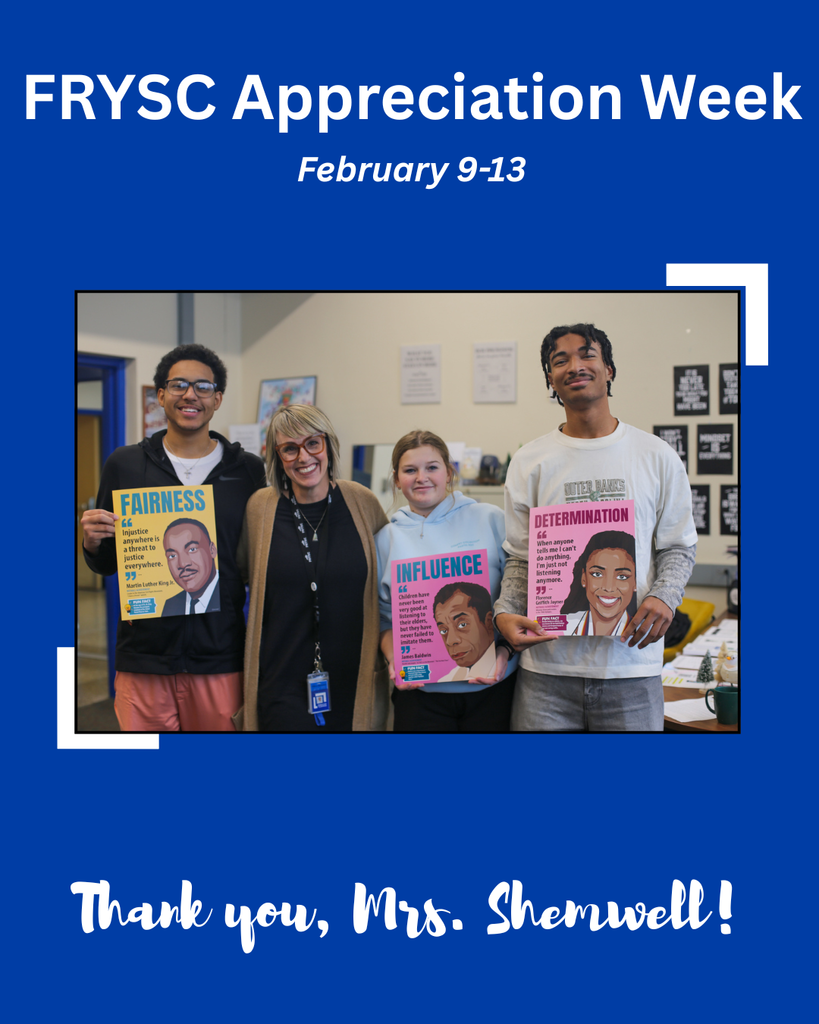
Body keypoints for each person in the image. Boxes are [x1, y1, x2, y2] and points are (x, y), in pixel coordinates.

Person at [495, 323, 697, 732]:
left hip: (631, 669)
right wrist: (504, 613)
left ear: (609, 369)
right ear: (550, 380)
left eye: (587, 354)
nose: (574, 365)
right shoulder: (530, 461)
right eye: (559, 360)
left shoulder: (656, 456)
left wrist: (664, 595)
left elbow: (678, 546)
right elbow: (520, 558)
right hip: (546, 674)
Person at [81, 343, 266, 731]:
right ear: (160, 395)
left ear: (217, 399)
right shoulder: (125, 464)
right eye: (179, 384)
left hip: (220, 657)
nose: (190, 395)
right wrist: (93, 541)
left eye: (202, 387)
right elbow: (108, 562)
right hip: (144, 658)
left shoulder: (249, 471)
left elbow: (256, 559)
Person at [238, 404, 389, 732]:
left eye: (312, 443)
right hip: (281, 682)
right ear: (277, 457)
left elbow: (389, 588)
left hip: (354, 680)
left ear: (328, 445)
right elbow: (238, 579)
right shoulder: (259, 510)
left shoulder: (363, 503)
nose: (303, 457)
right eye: (289, 449)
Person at [377, 430, 517, 732]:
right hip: (421, 698)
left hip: (492, 688)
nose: (421, 478)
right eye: (410, 470)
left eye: (432, 467)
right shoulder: (385, 538)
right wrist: (394, 659)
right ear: (397, 478)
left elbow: (518, 595)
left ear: (449, 472)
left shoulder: (491, 519)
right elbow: (383, 619)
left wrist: (504, 651)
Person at [560, 531, 638, 637]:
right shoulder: (563, 625)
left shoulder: (643, 629)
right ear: (584, 578)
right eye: (597, 574)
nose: (608, 588)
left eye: (622, 577)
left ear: (635, 583)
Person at [432, 582, 497, 681]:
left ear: (488, 623)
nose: (450, 641)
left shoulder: (503, 665)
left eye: (462, 625)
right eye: (443, 631)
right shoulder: (452, 676)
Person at [161, 518, 220, 616]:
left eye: (192, 549)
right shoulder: (170, 605)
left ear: (212, 550)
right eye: (172, 556)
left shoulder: (228, 592)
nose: (183, 564)